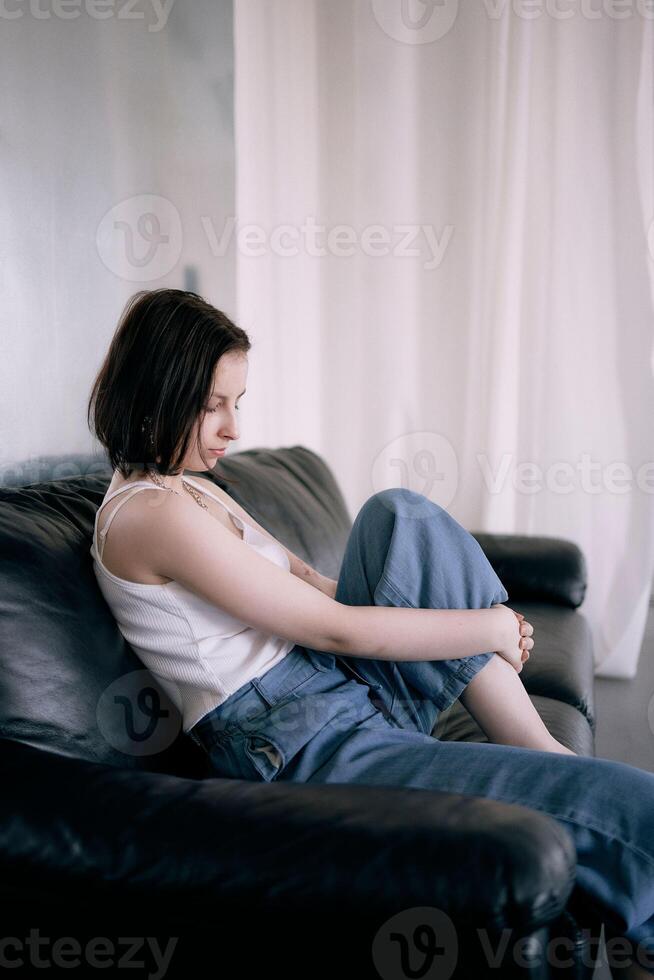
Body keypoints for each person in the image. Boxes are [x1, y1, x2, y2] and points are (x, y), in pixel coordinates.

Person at [88, 287, 654, 980]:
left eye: (239, 402)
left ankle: (537, 750)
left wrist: (457, 624)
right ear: (154, 393)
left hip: (339, 692)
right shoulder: (148, 516)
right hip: (300, 740)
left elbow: (314, 585)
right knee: (631, 807)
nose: (234, 429)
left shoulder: (193, 489)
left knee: (400, 516)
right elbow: (337, 629)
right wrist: (489, 625)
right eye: (213, 406)